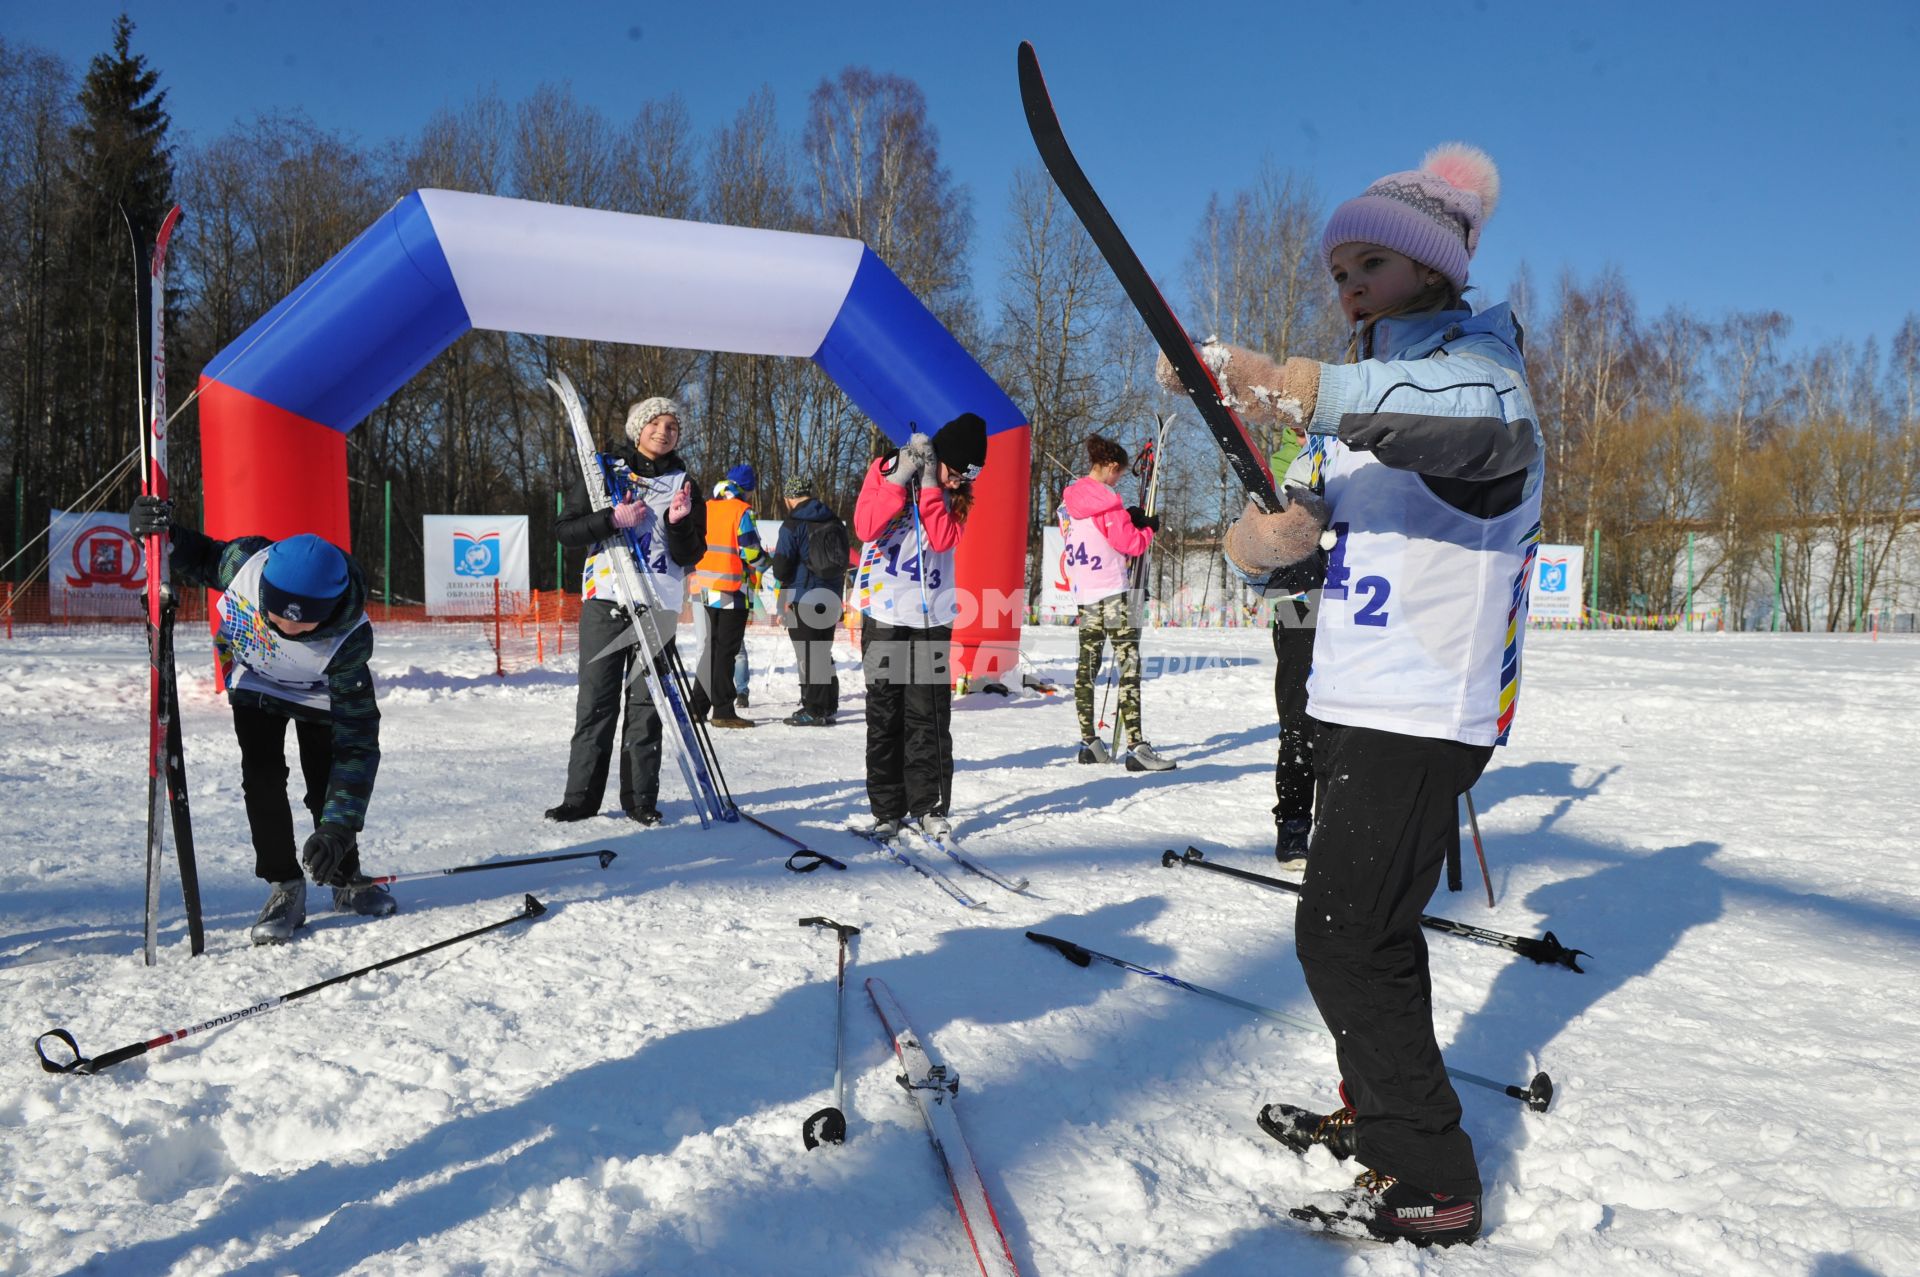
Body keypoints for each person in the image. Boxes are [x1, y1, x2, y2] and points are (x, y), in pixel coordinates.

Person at [1166, 144, 1542, 1246]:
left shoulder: (1483, 370)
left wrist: (1292, 383)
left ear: (1433, 267)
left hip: (1425, 705)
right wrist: (1263, 541)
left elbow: (1470, 431)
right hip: (1359, 696)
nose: (1348, 287)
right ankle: (1379, 1111)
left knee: (1345, 935)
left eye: (1370, 263)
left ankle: (1430, 1176)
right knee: (1364, 926)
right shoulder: (1363, 396)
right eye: (1339, 272)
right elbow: (1301, 524)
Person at [127, 497, 395, 945]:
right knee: (263, 779)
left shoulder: (350, 643)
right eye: (275, 616)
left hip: (319, 696)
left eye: (302, 625)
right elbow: (201, 556)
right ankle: (284, 885)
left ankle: (345, 878)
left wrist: (338, 828)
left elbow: (358, 746)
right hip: (255, 683)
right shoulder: (246, 563)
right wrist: (161, 538)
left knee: (326, 780)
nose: (284, 629)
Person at [546, 395, 704, 826]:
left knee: (647, 706)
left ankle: (640, 800)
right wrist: (611, 519)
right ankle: (580, 799)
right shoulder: (605, 472)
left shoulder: (686, 481)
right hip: (607, 599)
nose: (664, 431)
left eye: (672, 426)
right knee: (596, 702)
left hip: (659, 604)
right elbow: (565, 530)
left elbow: (693, 552)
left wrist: (679, 521)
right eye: (655, 423)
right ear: (639, 428)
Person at [851, 413, 987, 838]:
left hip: (932, 618)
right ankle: (887, 809)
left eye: (965, 477)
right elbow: (865, 526)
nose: (957, 482)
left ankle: (928, 805)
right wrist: (902, 478)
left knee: (927, 714)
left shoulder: (953, 494)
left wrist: (932, 484)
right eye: (954, 471)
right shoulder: (887, 468)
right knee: (885, 713)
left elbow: (944, 538)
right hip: (885, 614)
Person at [1058, 433, 1174, 772]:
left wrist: (1130, 519)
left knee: (1087, 667)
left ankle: (1088, 742)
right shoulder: (1107, 501)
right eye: (1119, 473)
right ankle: (1137, 746)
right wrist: (1148, 528)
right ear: (1109, 467)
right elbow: (1132, 545)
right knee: (1128, 665)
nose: (1119, 479)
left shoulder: (1070, 501)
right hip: (1114, 592)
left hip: (1085, 594)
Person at [768, 474, 849, 726]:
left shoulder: (793, 524)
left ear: (789, 498)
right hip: (832, 595)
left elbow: (781, 567)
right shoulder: (835, 521)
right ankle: (827, 704)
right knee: (822, 650)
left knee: (808, 652)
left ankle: (813, 709)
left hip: (804, 596)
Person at [687, 462, 764, 728]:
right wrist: (770, 565)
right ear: (747, 490)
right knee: (726, 650)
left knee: (712, 647)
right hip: (731, 589)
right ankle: (723, 710)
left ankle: (697, 706)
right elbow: (750, 552)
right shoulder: (741, 510)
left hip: (704, 587)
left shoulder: (707, 507)